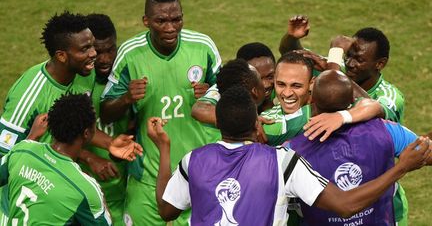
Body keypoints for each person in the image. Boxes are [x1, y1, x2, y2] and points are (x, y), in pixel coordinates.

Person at [147, 85, 430, 225]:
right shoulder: (282, 161)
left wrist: (164, 148)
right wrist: (400, 167)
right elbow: (345, 205)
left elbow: (166, 210)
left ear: (219, 124)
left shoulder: (193, 159)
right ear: (257, 123)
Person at [100, 0, 221, 225]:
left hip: (198, 175)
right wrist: (126, 99)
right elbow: (105, 112)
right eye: (161, 21)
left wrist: (211, 93)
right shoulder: (130, 53)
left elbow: (231, 94)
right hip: (148, 177)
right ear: (146, 21)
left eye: (176, 20)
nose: (170, 28)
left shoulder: (203, 46)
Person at [288, 70, 431, 225]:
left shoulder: (291, 150)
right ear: (352, 100)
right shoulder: (387, 131)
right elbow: (427, 153)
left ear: (311, 100)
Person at [0, 10, 142, 160]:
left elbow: (76, 126)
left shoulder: (85, 72)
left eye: (92, 45)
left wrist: (110, 143)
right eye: (85, 49)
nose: (94, 53)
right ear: (62, 56)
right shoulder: (28, 95)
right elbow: (3, 159)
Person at [0, 94, 112, 225]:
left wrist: (31, 137)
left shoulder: (22, 150)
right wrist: (101, 198)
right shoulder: (84, 188)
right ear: (86, 133)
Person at [261, 51, 387, 146]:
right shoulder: (272, 124)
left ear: (312, 83)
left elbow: (375, 107)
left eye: (296, 86)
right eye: (281, 84)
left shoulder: (330, 104)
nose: (287, 93)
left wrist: (340, 117)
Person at [81, 13, 130, 225]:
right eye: (98, 52)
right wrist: (89, 157)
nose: (105, 59)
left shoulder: (126, 79)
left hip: (123, 193)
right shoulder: (76, 84)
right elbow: (54, 137)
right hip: (83, 194)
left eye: (110, 50)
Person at [236, 42, 276, 112]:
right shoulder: (231, 98)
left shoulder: (283, 88)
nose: (266, 85)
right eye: (258, 78)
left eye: (270, 76)